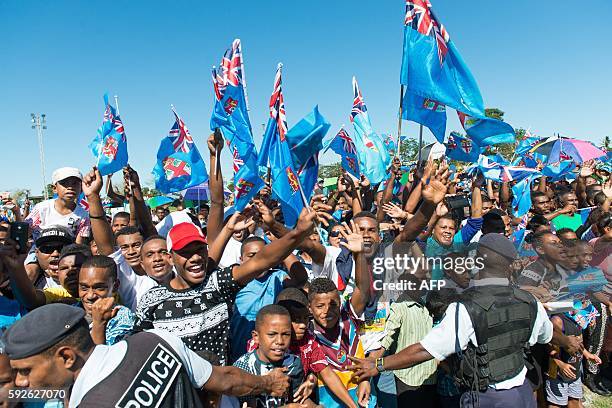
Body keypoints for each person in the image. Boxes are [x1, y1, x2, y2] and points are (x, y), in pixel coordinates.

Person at [349, 234, 556, 408]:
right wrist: (568, 341)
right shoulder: (530, 301)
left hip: (488, 398)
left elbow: (425, 350)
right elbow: (547, 335)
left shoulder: (466, 307)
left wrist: (378, 364)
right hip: (523, 394)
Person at [2, 303, 291, 407]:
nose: (21, 383)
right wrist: (268, 383)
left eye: (25, 371)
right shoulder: (155, 340)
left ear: (67, 357)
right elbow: (225, 379)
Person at [134, 207, 319, 366]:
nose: (195, 257)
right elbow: (138, 353)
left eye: (199, 250)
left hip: (221, 394)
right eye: (185, 253)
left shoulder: (216, 284)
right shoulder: (151, 300)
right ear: (170, 257)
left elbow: (261, 260)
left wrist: (297, 233)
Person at [233, 305, 316, 407]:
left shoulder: (293, 364)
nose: (280, 341)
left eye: (286, 334)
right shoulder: (242, 368)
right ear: (256, 337)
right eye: (272, 334)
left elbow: (297, 399)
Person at [25, 167, 90, 245]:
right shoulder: (41, 209)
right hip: (40, 252)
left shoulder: (84, 215)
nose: (70, 187)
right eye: (64, 183)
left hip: (66, 254)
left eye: (75, 183)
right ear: (54, 188)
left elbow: (78, 245)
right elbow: (25, 233)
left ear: (81, 189)